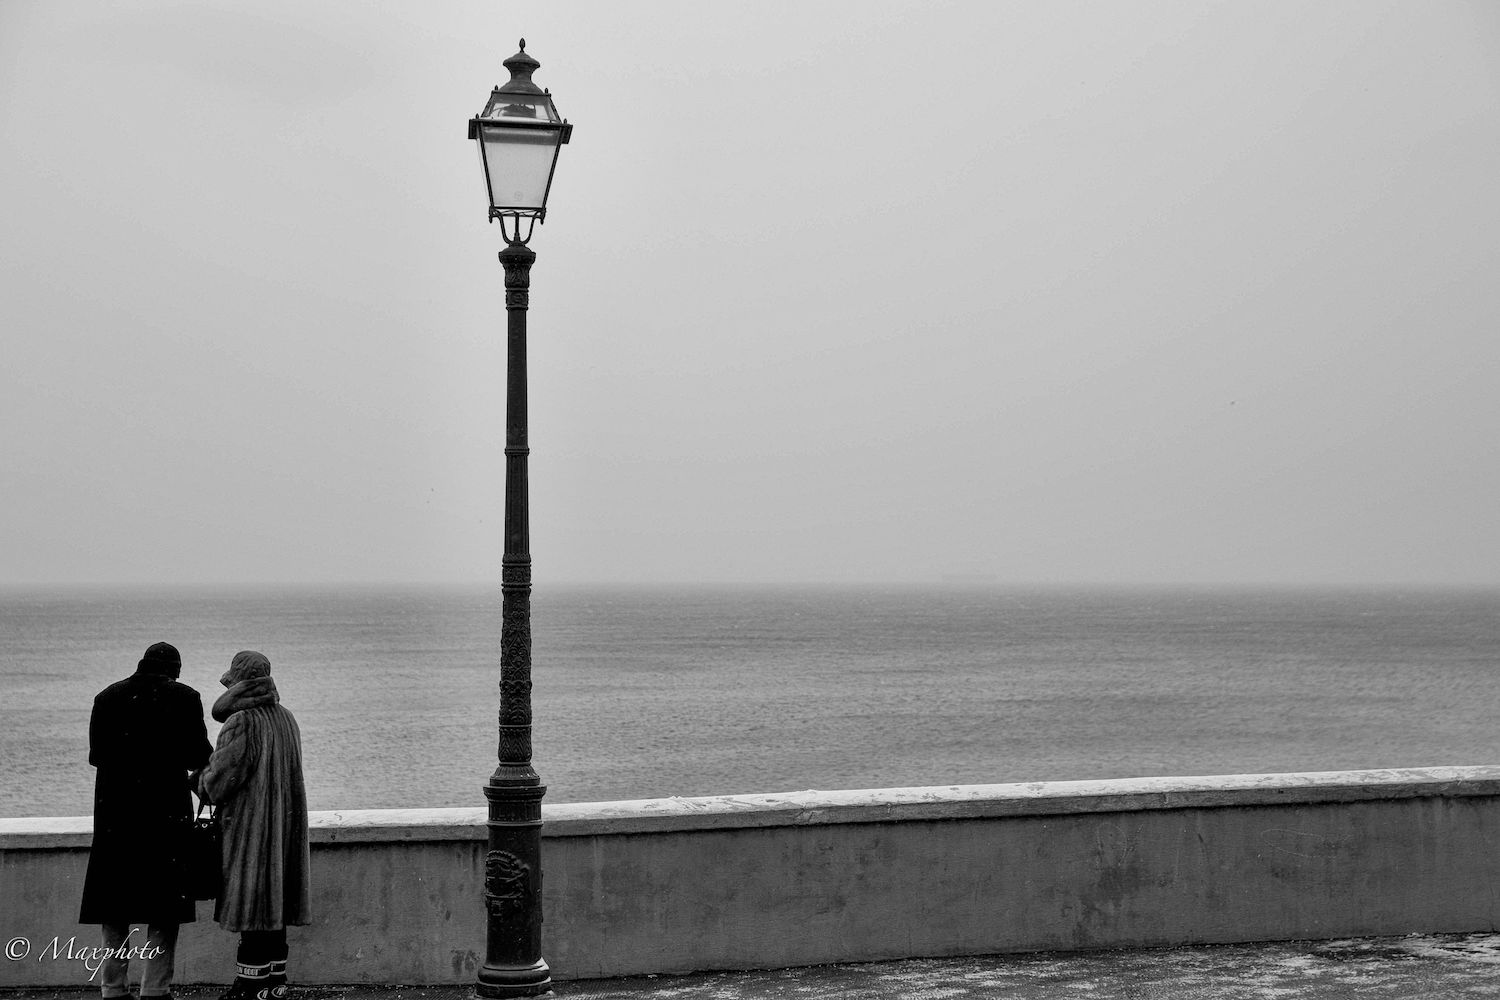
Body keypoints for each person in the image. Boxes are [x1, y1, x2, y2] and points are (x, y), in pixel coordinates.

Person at [79, 640, 213, 1000]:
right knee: (164, 908)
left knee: (113, 906)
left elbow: (96, 756)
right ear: (175, 669)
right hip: (164, 817)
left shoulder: (106, 697)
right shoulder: (185, 697)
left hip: (116, 817)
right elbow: (199, 755)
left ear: (142, 664)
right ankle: (155, 988)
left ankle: (112, 988)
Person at [196, 650, 311, 1000]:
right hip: (284, 832)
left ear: (238, 681)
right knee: (275, 913)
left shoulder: (243, 721)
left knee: (254, 915)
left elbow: (219, 783)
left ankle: (249, 988)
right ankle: (276, 986)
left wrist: (198, 780)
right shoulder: (286, 718)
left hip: (253, 835)